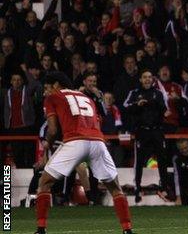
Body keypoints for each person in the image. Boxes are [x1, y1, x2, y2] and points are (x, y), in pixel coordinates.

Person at [34, 72, 133, 234]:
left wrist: (47, 144)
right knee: (115, 187)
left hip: (75, 141)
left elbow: (52, 129)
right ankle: (127, 229)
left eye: (47, 88)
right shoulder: (85, 97)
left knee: (44, 183)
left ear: (56, 85)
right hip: (97, 142)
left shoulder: (53, 98)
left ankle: (41, 228)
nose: (46, 92)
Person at [123, 70, 167, 203]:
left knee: (162, 160)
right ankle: (137, 189)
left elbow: (165, 110)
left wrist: (155, 103)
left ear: (152, 79)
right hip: (142, 131)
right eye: (144, 77)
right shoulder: (134, 93)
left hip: (157, 130)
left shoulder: (158, 93)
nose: (147, 79)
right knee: (139, 161)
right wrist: (138, 104)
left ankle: (164, 188)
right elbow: (125, 106)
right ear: (140, 79)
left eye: (149, 77)